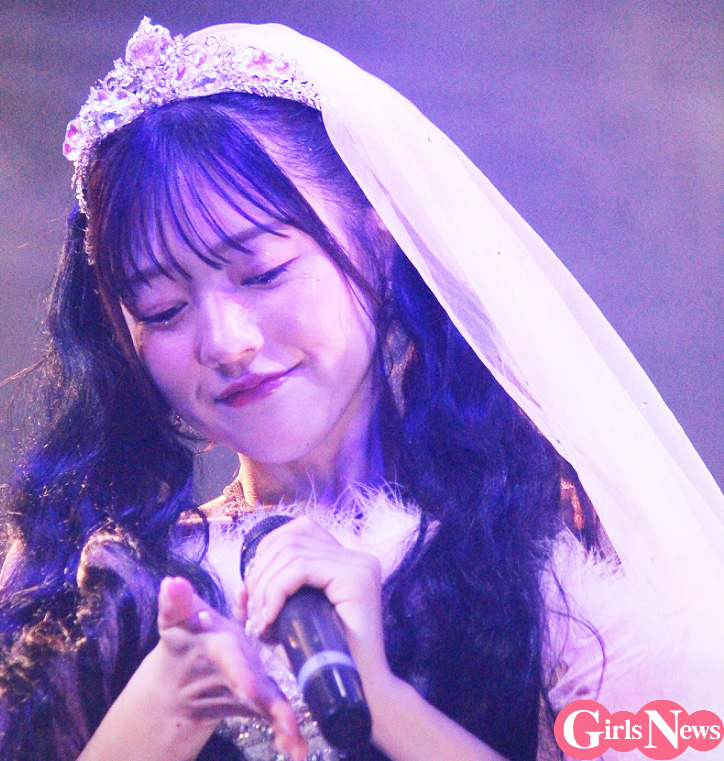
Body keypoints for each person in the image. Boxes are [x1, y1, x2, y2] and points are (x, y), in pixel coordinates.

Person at [0, 17, 722, 761]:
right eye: (163, 310)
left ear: (379, 246)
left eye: (263, 274)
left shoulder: (543, 559)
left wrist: (382, 703)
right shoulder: (91, 589)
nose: (224, 341)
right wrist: (158, 714)